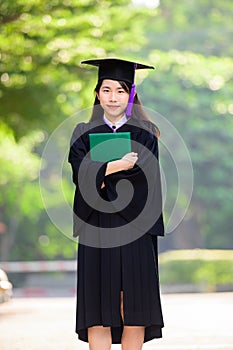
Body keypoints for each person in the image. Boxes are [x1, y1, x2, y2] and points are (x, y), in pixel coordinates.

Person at [68, 58, 164, 350]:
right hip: (95, 228)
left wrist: (98, 171)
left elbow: (141, 180)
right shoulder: (82, 132)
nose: (112, 97)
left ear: (131, 95)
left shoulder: (146, 132)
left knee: (132, 307)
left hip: (135, 229)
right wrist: (116, 166)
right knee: (98, 311)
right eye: (106, 89)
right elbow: (80, 176)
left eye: (120, 91)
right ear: (97, 93)